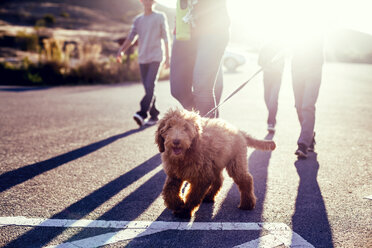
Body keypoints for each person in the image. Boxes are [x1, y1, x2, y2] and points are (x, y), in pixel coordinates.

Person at [258, 1, 324, 159]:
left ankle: (303, 143)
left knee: (307, 106)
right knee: (299, 106)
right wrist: (273, 58)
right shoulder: (293, 24)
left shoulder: (316, 21)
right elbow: (285, 44)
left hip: (313, 69)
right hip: (297, 70)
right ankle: (309, 135)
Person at [170, 0, 230, 118]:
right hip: (184, 26)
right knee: (178, 89)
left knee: (202, 89)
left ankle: (208, 132)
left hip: (213, 27)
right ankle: (202, 122)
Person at [116, 0, 170, 126]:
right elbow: (131, 37)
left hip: (156, 57)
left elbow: (166, 38)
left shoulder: (160, 17)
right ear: (141, 1)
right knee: (148, 88)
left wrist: (168, 57)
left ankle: (142, 113)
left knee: (150, 85)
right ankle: (155, 115)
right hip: (142, 58)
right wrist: (121, 51)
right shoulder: (138, 20)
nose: (147, 2)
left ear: (154, 2)